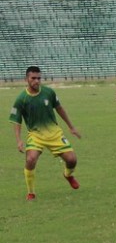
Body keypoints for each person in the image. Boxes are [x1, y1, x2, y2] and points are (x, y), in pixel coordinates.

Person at [9, 66, 81, 200]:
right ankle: (31, 192)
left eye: (39, 78)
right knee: (30, 159)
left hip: (54, 134)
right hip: (36, 136)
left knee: (72, 160)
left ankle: (68, 175)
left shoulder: (49, 92)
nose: (37, 81)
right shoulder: (21, 99)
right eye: (33, 78)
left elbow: (60, 109)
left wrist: (71, 127)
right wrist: (18, 140)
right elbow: (16, 121)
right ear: (26, 79)